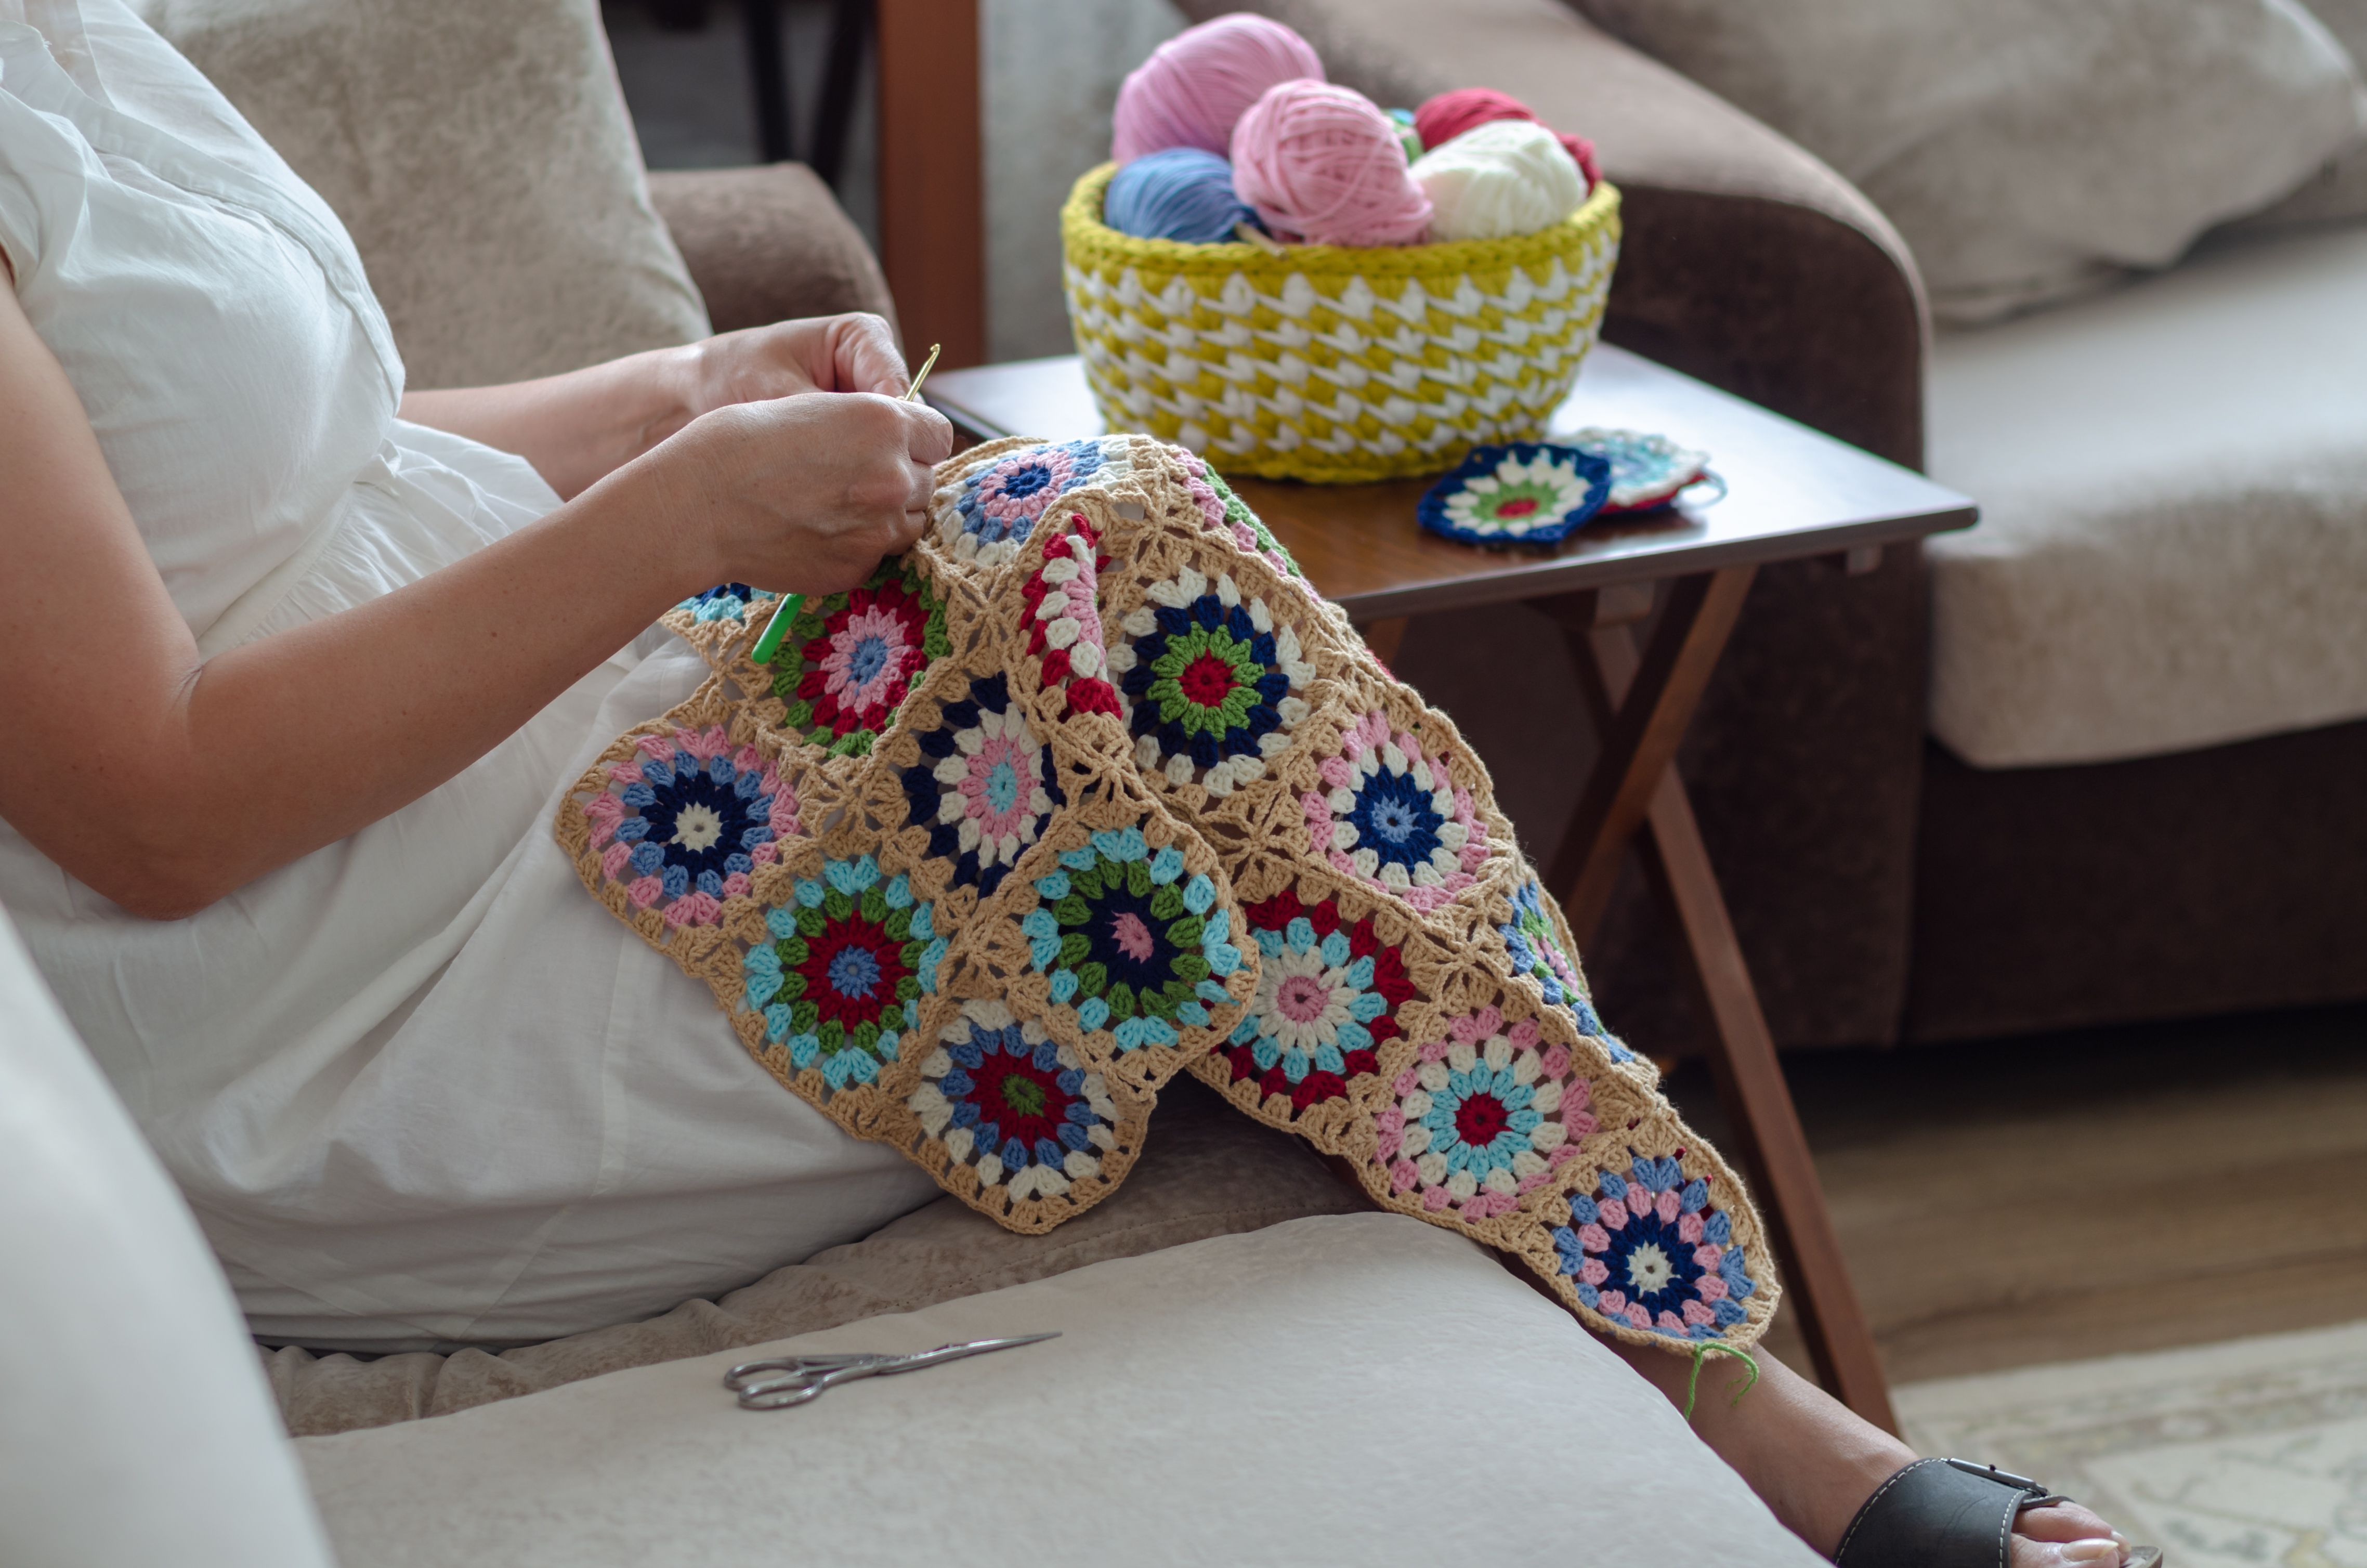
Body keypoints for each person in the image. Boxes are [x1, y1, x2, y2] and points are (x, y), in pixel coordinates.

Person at [0, 4, 2140, 1562]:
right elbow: (157, 805)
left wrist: (678, 388)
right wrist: (681, 520)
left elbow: (296, 462)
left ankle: (1715, 1372)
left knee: (1099, 562)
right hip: (338, 1006)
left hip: (503, 793)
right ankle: (1749, 1403)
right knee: (1137, 655)